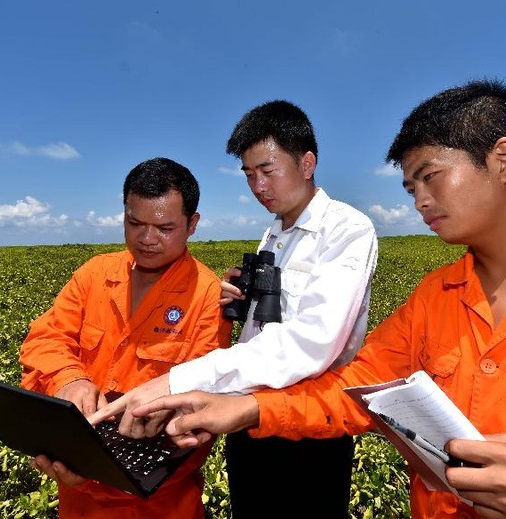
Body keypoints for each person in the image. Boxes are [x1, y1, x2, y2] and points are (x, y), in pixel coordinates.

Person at [131, 80, 506, 518]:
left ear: (504, 161)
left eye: (430, 177)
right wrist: (245, 407)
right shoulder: (435, 300)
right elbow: (351, 391)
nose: (418, 200)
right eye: (409, 187)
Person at [91, 100, 379, 519]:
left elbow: (312, 343)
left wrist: (183, 380)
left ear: (308, 162)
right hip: (246, 420)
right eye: (248, 175)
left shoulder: (347, 229)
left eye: (267, 170)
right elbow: (276, 323)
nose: (258, 186)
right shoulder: (275, 232)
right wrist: (245, 305)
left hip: (309, 425)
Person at [18, 157, 232, 519]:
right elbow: (45, 338)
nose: (147, 239)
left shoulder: (207, 297)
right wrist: (70, 379)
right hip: (77, 498)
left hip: (157, 503)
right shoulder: (94, 273)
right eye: (135, 223)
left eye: (164, 228)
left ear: (192, 224)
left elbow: (202, 403)